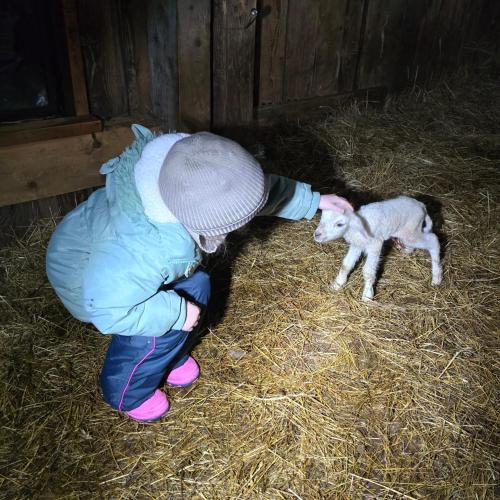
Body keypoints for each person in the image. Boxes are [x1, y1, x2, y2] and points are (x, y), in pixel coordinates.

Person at [46, 125, 352, 422]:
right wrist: (176, 313)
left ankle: (169, 356)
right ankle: (128, 392)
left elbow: (243, 192)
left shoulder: (190, 172)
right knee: (167, 320)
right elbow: (108, 308)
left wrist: (313, 201)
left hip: (122, 264)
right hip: (89, 283)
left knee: (197, 286)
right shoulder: (149, 248)